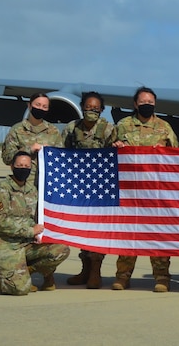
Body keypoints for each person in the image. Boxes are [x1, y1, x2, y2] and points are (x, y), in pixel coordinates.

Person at [0, 151, 69, 295]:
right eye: (19, 165)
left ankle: (24, 274)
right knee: (20, 289)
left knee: (60, 250)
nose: (23, 168)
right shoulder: (1, 189)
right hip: (4, 246)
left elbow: (38, 216)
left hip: (25, 244)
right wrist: (31, 231)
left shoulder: (32, 190)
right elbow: (1, 222)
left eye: (26, 166)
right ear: (12, 167)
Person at [111, 86, 179, 292]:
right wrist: (116, 147)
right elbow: (109, 150)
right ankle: (123, 276)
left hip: (155, 192)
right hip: (130, 192)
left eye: (150, 102)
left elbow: (178, 156)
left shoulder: (164, 127)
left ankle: (162, 278)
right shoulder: (123, 126)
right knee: (129, 234)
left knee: (156, 234)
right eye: (143, 102)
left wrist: (165, 151)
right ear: (135, 104)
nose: (147, 105)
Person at [62, 92, 117, 289]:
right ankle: (84, 270)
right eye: (88, 107)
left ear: (101, 110)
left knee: (97, 230)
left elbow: (118, 155)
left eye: (95, 108)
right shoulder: (72, 128)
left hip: (100, 189)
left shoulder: (109, 129)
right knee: (82, 229)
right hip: (78, 187)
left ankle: (96, 271)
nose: (91, 111)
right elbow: (61, 153)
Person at [0, 92, 61, 183]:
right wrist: (28, 150)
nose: (40, 108)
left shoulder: (54, 131)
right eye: (38, 105)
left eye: (44, 106)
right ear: (29, 105)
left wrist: (51, 151)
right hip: (24, 185)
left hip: (48, 183)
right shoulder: (17, 130)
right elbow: (7, 158)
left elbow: (61, 158)